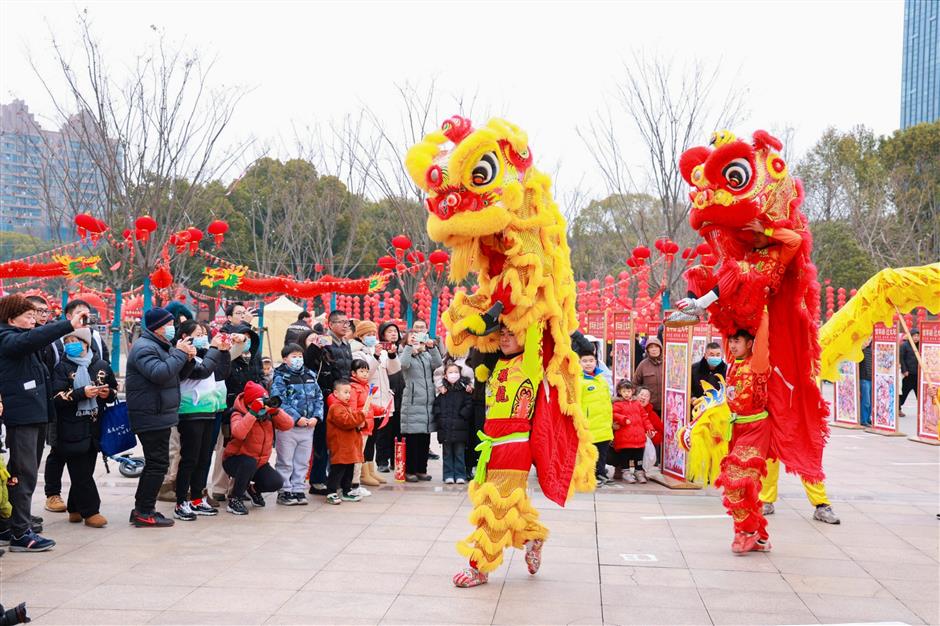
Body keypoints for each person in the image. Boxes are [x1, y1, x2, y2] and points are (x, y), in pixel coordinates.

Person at [453, 324, 547, 588]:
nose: (505, 339)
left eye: (512, 333)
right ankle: (531, 538)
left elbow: (536, 321)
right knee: (504, 505)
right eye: (501, 334)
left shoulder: (530, 362)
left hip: (514, 445)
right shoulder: (497, 363)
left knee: (495, 508)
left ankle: (479, 568)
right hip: (492, 445)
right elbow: (475, 337)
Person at [0, 294, 84, 551]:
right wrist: (68, 325)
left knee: (24, 473)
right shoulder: (8, 338)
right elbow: (31, 338)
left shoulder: (21, 338)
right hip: (21, 417)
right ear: (12, 318)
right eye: (28, 316)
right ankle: (20, 533)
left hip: (34, 415)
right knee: (23, 475)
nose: (34, 321)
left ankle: (12, 525)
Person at [125, 307, 196, 528]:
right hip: (150, 414)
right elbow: (159, 374)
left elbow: (175, 376)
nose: (172, 328)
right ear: (158, 327)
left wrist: (188, 360)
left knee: (156, 463)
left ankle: (142, 508)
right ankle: (144, 511)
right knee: (157, 463)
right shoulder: (145, 348)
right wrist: (179, 353)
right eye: (169, 324)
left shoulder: (161, 346)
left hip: (160, 413)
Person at [50, 328, 117, 528]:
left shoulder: (101, 365)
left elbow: (113, 390)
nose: (72, 344)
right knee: (80, 471)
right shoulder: (61, 367)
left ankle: (75, 507)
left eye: (76, 340)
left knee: (85, 468)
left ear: (86, 343)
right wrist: (80, 393)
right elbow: (56, 397)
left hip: (95, 425)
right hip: (71, 426)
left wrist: (106, 393)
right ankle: (91, 511)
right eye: (68, 341)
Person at [714, 329, 772, 554]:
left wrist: (764, 308)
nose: (733, 345)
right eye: (731, 341)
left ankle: (747, 531)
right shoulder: (733, 364)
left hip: (756, 428)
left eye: (737, 341)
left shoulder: (757, 363)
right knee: (748, 487)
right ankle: (759, 537)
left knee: (736, 481)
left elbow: (764, 335)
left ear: (750, 343)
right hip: (737, 428)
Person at [174, 321, 232, 521]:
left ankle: (197, 498)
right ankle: (181, 500)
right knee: (189, 458)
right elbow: (202, 371)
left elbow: (221, 373)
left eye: (204, 333)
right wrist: (215, 349)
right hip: (190, 412)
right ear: (184, 336)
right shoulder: (182, 355)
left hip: (210, 410)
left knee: (204, 457)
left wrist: (223, 352)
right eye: (198, 333)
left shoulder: (206, 353)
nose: (203, 336)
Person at [208, 302, 262, 504]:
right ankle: (219, 487)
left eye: (245, 312)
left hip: (249, 404)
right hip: (229, 402)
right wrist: (239, 336)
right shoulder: (225, 342)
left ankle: (237, 486)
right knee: (226, 445)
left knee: (245, 445)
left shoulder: (252, 349)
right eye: (239, 313)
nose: (243, 315)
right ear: (228, 317)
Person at [222, 381, 293, 515]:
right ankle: (235, 499)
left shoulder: (267, 415)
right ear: (250, 403)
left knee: (276, 482)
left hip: (259, 463)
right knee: (248, 462)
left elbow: (288, 425)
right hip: (234, 461)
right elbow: (238, 433)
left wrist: (275, 411)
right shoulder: (238, 413)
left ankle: (254, 489)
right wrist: (253, 413)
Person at [271, 343, 323, 506]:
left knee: (302, 461)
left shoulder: (310, 375)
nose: (298, 359)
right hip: (288, 427)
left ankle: (298, 489)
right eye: (294, 356)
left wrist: (316, 416)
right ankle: (285, 491)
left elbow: (318, 398)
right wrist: (296, 417)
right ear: (285, 359)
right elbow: (279, 401)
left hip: (308, 427)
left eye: (300, 356)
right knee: (285, 460)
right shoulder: (280, 377)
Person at [351, 320, 394, 487]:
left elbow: (393, 369)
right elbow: (365, 374)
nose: (371, 337)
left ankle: (370, 469)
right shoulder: (357, 351)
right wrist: (375, 357)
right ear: (360, 335)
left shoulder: (377, 350)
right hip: (368, 400)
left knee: (374, 437)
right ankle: (363, 473)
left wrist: (391, 355)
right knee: (366, 438)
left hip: (381, 399)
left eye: (373, 334)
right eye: (368, 334)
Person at [399, 326, 443, 482]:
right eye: (413, 338)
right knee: (412, 439)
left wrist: (432, 347)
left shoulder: (425, 356)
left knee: (425, 438)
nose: (417, 341)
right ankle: (410, 470)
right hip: (412, 401)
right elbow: (403, 365)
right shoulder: (405, 354)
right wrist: (410, 347)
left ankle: (421, 469)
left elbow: (438, 364)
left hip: (427, 402)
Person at [325, 380, 369, 504]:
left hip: (350, 446)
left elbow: (355, 420)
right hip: (340, 445)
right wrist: (360, 416)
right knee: (338, 469)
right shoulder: (335, 408)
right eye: (345, 392)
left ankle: (346, 490)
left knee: (349, 468)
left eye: (349, 392)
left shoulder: (347, 407)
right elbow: (346, 422)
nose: (348, 395)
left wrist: (362, 422)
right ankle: (331, 492)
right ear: (335, 393)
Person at [346, 358, 386, 496]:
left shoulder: (365, 387)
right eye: (361, 371)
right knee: (357, 457)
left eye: (366, 371)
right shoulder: (353, 388)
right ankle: (353, 485)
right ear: (353, 373)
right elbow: (352, 408)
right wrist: (357, 422)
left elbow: (368, 406)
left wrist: (380, 410)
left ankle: (355, 484)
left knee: (359, 456)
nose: (365, 374)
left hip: (366, 427)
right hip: (359, 428)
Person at [433, 362, 473, 484]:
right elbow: (436, 406)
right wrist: (440, 417)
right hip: (445, 428)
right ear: (445, 375)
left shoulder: (464, 389)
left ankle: (460, 474)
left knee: (459, 452)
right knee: (447, 453)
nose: (453, 375)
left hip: (460, 427)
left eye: (456, 372)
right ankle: (448, 475)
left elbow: (469, 404)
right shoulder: (442, 390)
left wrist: (463, 415)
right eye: (450, 372)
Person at [579, 348, 614, 486]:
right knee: (589, 452)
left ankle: (600, 473)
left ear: (596, 362)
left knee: (602, 451)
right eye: (585, 361)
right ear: (579, 363)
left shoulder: (601, 379)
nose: (588, 364)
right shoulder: (578, 380)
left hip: (604, 424)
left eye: (591, 361)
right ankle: (589, 476)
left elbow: (607, 401)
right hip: (589, 425)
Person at [610, 380, 654, 483]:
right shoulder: (617, 404)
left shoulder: (637, 404)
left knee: (638, 455)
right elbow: (614, 414)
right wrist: (623, 419)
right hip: (624, 437)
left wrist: (649, 428)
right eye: (624, 391)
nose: (626, 393)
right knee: (625, 455)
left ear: (633, 391)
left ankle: (639, 472)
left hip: (638, 436)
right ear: (620, 392)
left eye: (628, 391)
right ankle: (626, 472)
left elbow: (644, 417)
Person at [375, 321, 404, 473]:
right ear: (382, 334)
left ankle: (396, 459)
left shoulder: (404, 348)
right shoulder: (380, 351)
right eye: (389, 331)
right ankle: (382, 460)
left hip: (402, 393)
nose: (393, 333)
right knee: (384, 429)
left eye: (395, 331)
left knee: (399, 429)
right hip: (387, 393)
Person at [633, 337, 664, 415]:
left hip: (666, 406)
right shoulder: (643, 365)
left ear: (660, 348)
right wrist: (642, 397)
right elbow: (635, 384)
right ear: (647, 350)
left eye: (656, 346)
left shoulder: (668, 363)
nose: (654, 349)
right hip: (649, 407)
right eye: (651, 347)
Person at [635, 387, 663, 465]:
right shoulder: (629, 409)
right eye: (642, 394)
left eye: (647, 396)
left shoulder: (652, 414)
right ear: (636, 396)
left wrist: (652, 436)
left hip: (645, 445)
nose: (643, 397)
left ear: (649, 399)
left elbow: (660, 432)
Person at [899, 328, 919, 416]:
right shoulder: (905, 345)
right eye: (914, 336)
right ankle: (898, 408)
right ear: (910, 336)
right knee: (903, 393)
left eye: (918, 336)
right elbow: (901, 358)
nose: (916, 338)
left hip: (918, 374)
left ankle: (923, 411)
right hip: (908, 374)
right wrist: (904, 370)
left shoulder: (920, 345)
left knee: (920, 394)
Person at [859, 337, 873, 427]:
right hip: (864, 378)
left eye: (869, 340)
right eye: (865, 340)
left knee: (871, 401)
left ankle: (868, 418)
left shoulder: (871, 351)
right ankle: (863, 419)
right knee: (866, 400)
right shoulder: (858, 352)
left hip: (871, 378)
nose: (867, 342)